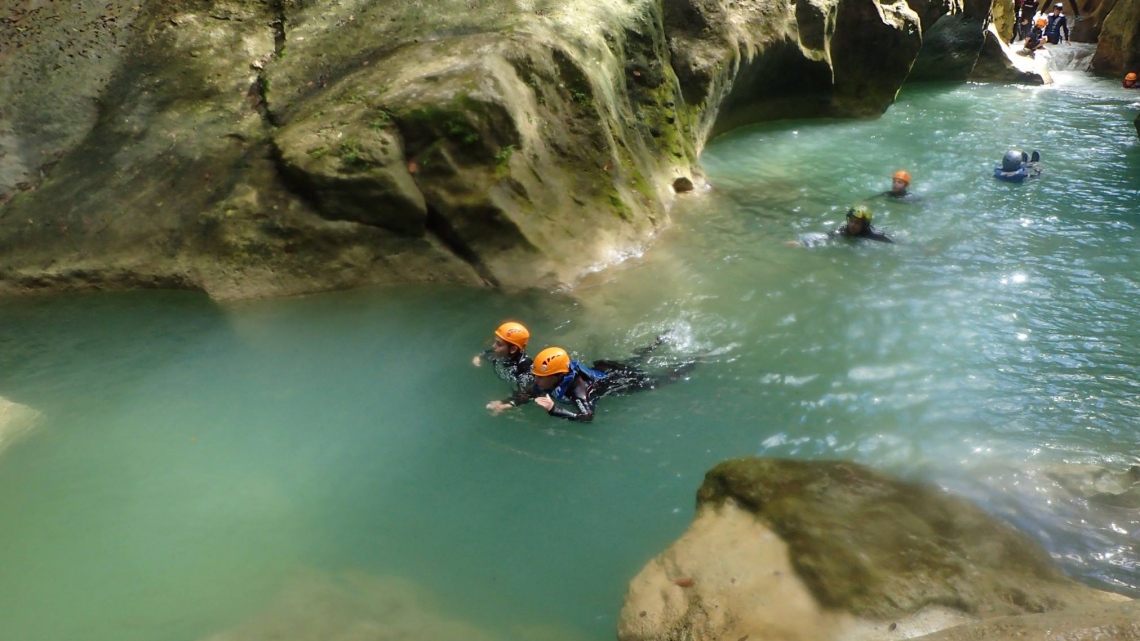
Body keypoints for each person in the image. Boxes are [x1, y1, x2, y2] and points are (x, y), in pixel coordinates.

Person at [527, 341, 692, 422]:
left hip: (619, 380)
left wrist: (554, 409)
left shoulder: (578, 390)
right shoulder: (553, 376)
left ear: (557, 376)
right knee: (633, 362)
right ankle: (656, 343)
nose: (536, 380)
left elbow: (587, 416)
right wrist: (509, 403)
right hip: (606, 369)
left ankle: (693, 361)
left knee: (656, 381)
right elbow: (532, 390)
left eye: (540, 377)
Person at [475, 321, 537, 414]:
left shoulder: (524, 367)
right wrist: (479, 357)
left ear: (513, 349)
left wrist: (505, 404)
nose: (493, 346)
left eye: (499, 344)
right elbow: (491, 353)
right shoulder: (503, 353)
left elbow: (529, 394)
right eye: (495, 342)